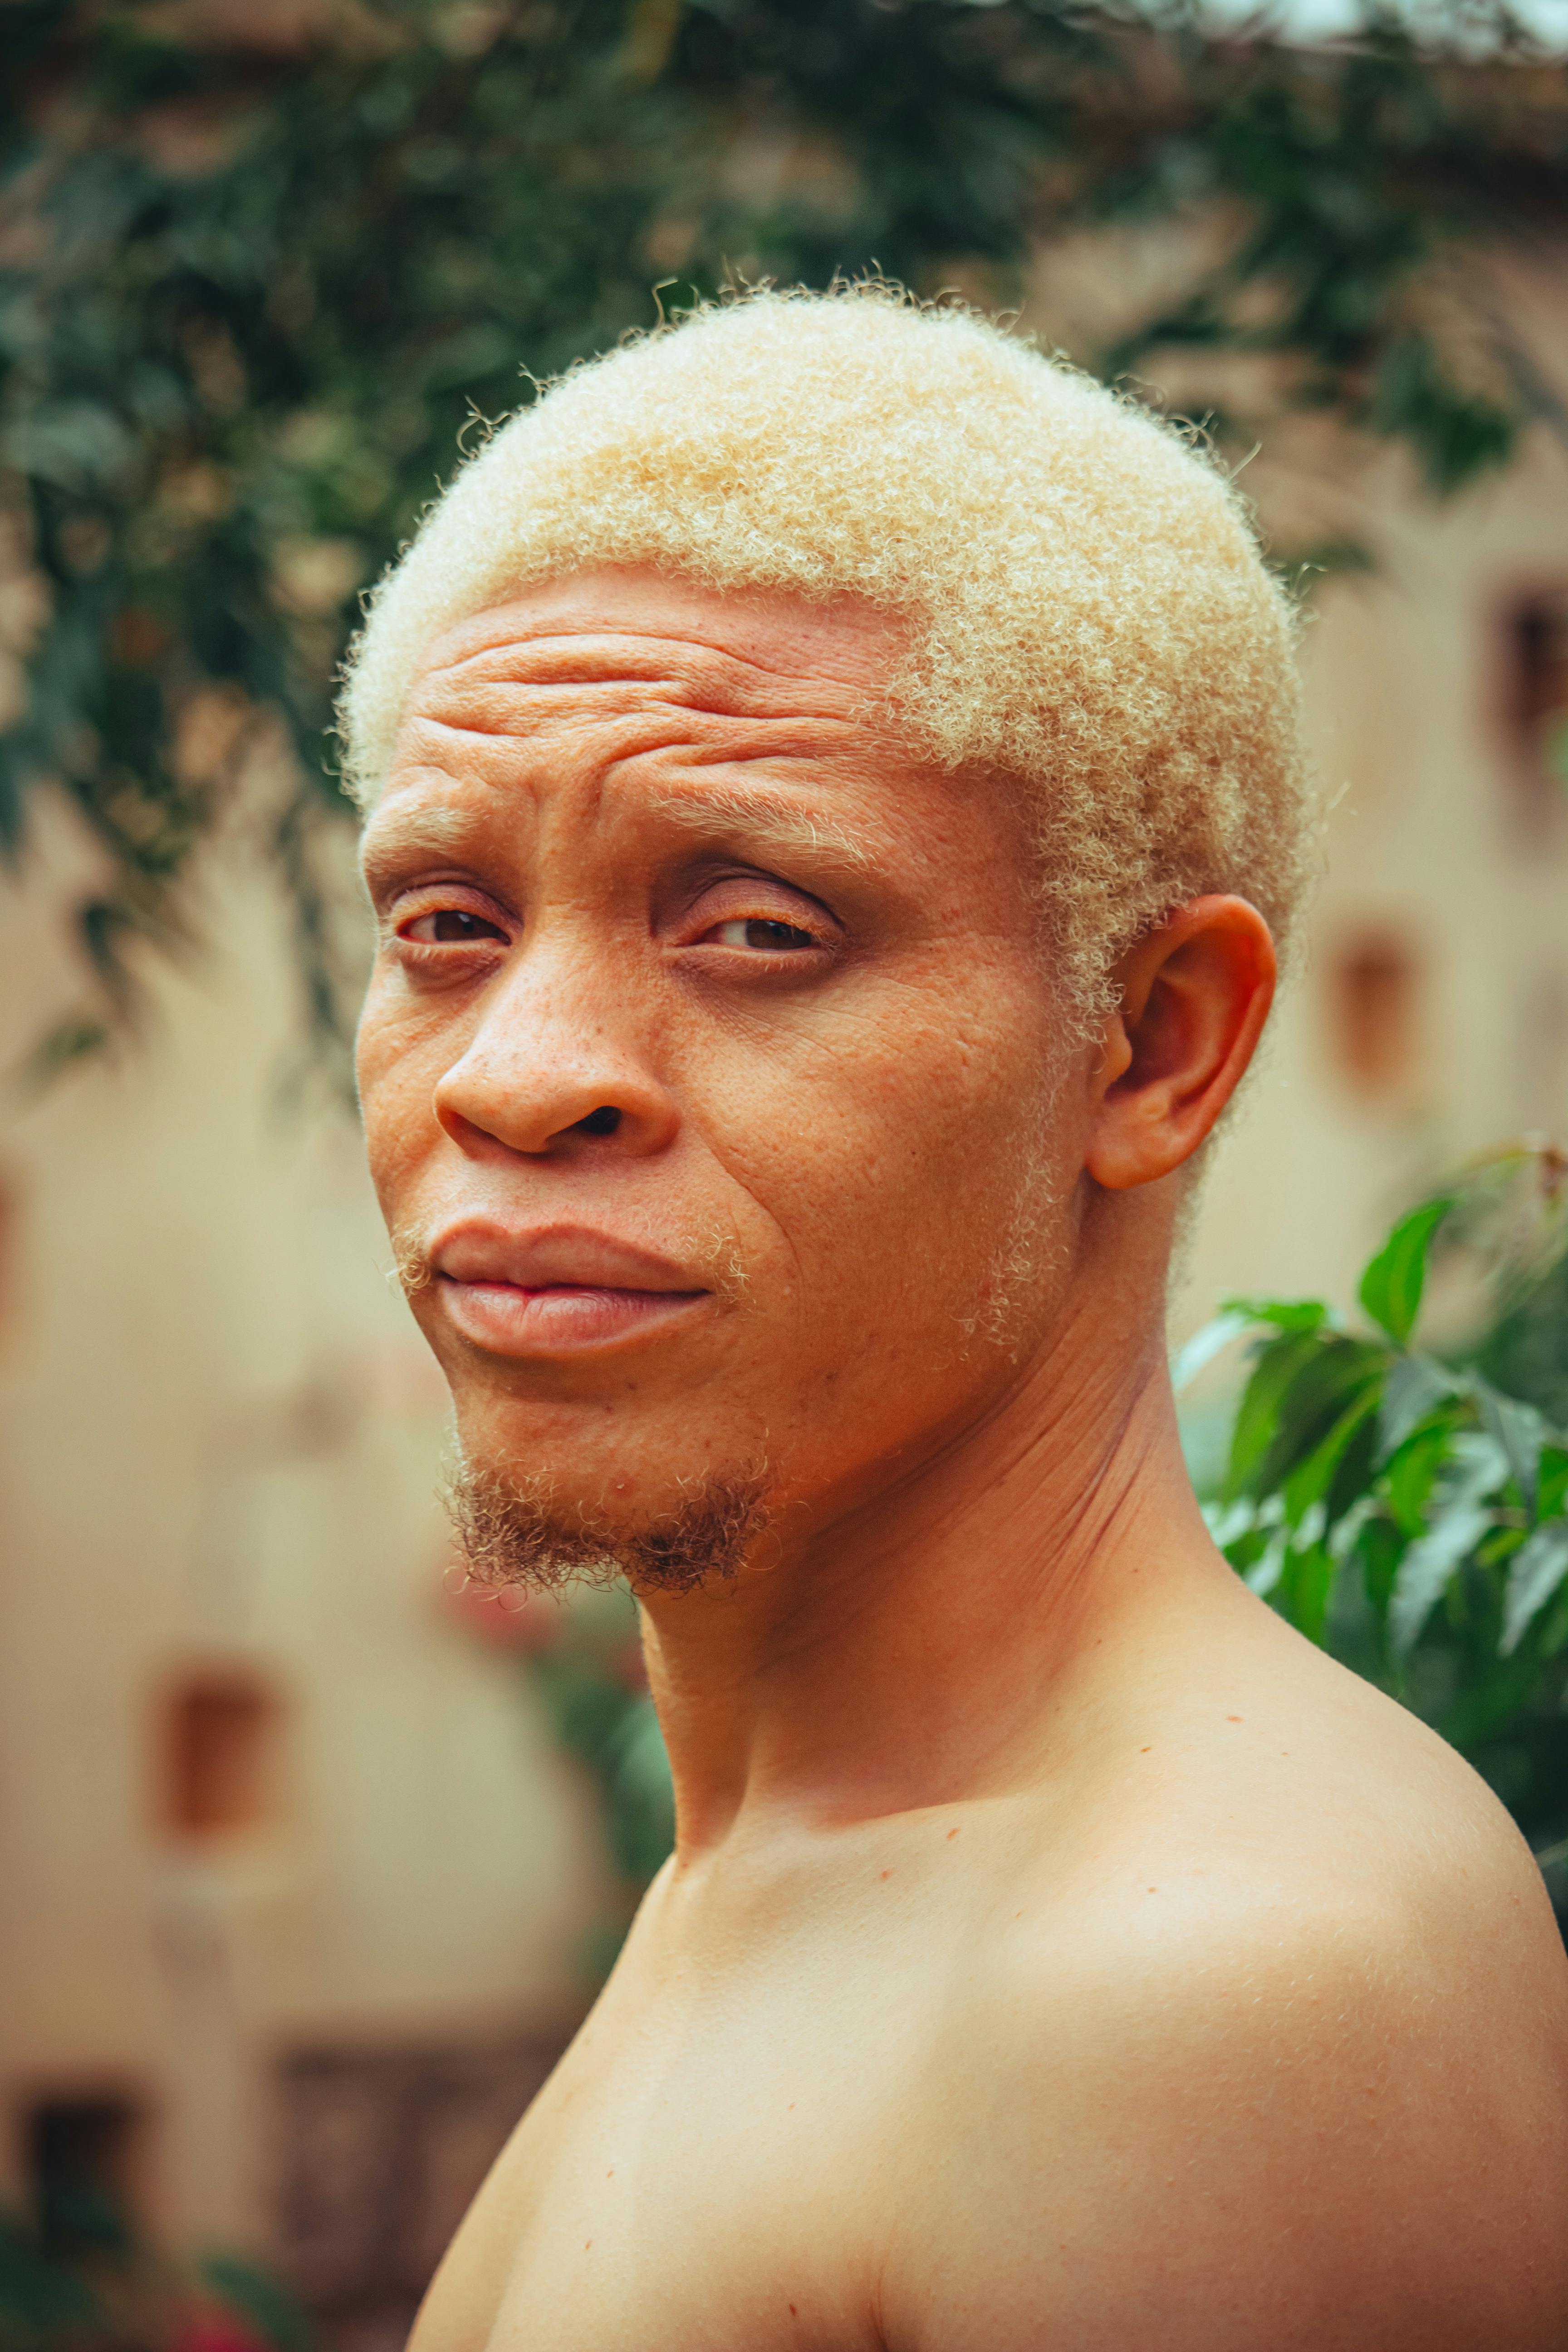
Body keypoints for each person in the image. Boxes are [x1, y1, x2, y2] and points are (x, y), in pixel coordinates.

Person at [343, 286, 1568, 2350]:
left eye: (756, 926)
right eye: (448, 925)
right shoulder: (798, 1861)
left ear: (1151, 1046)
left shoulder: (1205, 1995)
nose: (515, 1072)